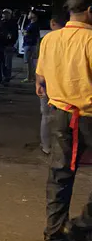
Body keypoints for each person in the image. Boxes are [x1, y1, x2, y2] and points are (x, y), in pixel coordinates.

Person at [36, 0, 92, 241]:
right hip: (88, 115)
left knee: (60, 174)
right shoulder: (90, 39)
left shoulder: (50, 39)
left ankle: (53, 233)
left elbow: (42, 77)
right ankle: (84, 224)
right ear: (90, 11)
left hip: (60, 113)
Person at [38, 15, 66, 155]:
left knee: (47, 115)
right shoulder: (77, 39)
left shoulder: (47, 39)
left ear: (52, 23)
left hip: (48, 83)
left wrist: (39, 82)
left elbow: (40, 63)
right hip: (65, 84)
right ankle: (60, 147)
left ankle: (47, 146)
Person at [0, 9, 18, 85]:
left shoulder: (13, 23)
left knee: (7, 64)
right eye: (4, 13)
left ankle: (6, 78)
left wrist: (11, 43)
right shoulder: (0, 22)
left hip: (8, 46)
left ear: (10, 15)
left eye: (7, 14)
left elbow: (14, 35)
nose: (5, 15)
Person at [22, 10, 40, 83]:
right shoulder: (31, 24)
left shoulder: (34, 25)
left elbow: (26, 33)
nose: (28, 14)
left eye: (30, 13)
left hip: (30, 45)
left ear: (34, 15)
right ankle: (30, 77)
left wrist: (24, 32)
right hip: (29, 44)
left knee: (30, 62)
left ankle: (30, 78)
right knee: (30, 62)